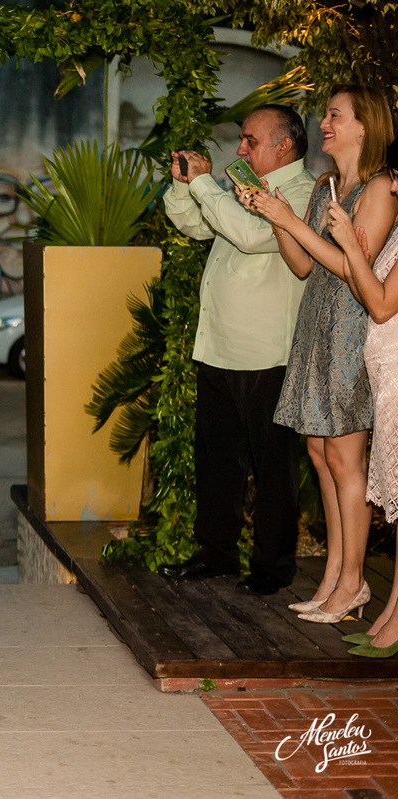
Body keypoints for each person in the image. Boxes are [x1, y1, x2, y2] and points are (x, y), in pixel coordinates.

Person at [239, 85, 398, 624]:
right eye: (326, 114)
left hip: (351, 329)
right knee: (318, 452)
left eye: (335, 115)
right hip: (315, 324)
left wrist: (292, 223)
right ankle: (334, 574)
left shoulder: (380, 189)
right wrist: (277, 216)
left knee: (345, 459)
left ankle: (353, 583)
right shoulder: (327, 184)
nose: (324, 123)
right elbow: (304, 264)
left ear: (364, 125)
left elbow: (357, 270)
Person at [157, 105, 316, 595]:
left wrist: (208, 185)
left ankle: (273, 568)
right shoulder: (247, 186)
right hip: (221, 345)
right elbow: (198, 226)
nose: (240, 148)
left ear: (283, 144)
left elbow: (250, 236)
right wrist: (186, 185)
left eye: (249, 139)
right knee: (217, 461)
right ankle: (216, 555)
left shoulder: (301, 192)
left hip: (266, 352)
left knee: (272, 468)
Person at [325, 139, 398, 656]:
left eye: (397, 176)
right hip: (388, 381)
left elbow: (379, 305)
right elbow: (362, 286)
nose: (392, 185)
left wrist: (351, 243)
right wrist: (353, 250)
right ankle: (392, 612)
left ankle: (396, 623)